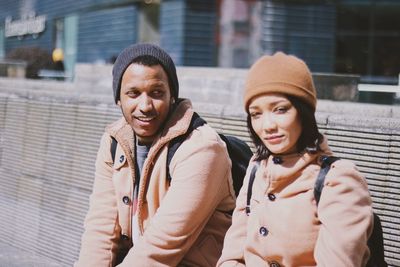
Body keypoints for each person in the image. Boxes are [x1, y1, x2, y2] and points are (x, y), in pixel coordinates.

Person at [76, 43, 236, 266]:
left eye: (156, 93)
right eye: (133, 93)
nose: (145, 106)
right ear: (118, 99)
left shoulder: (201, 148)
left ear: (172, 95)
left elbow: (163, 244)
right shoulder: (114, 142)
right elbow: (100, 229)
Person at [217, 52, 374, 266]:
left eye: (280, 110)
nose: (267, 125)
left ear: (303, 111)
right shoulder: (256, 168)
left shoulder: (338, 180)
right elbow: (232, 255)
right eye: (256, 114)